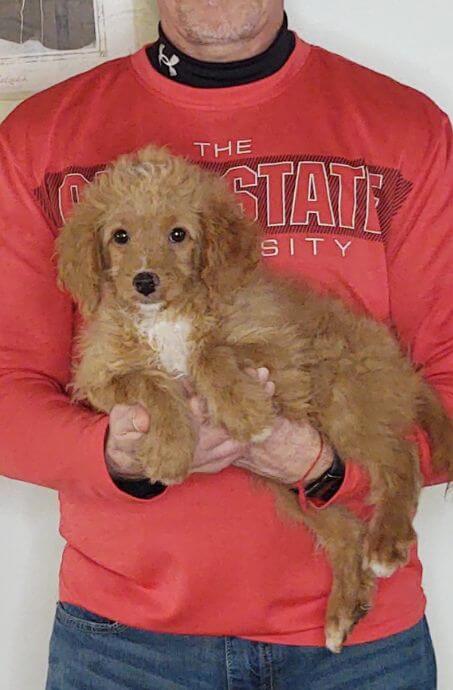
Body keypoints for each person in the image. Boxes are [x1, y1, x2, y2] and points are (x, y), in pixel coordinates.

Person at [0, 1, 451, 688]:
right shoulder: (39, 137)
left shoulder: (403, 128)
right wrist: (114, 456)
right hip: (123, 645)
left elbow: (443, 378)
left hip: (362, 649)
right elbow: (6, 386)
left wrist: (333, 470)